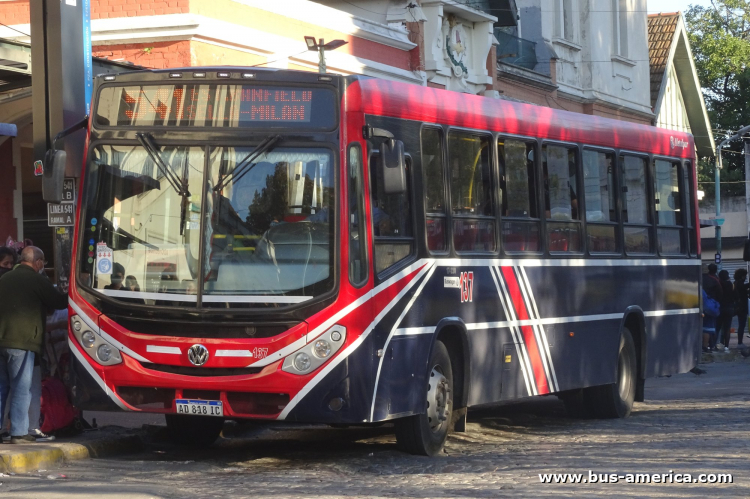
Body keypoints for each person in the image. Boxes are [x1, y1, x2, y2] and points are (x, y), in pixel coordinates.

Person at [0, 246, 68, 444]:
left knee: (2, 387)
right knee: (22, 387)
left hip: (1, 340)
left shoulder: (4, 279)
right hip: (23, 341)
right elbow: (59, 302)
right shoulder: (37, 280)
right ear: (38, 262)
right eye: (42, 264)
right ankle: (20, 433)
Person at [702, 264, 722, 350]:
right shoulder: (714, 280)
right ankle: (708, 345)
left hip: (697, 304)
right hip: (710, 306)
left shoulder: (698, 279)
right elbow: (720, 293)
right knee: (709, 327)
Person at [717, 270, 734, 352]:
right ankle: (726, 347)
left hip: (720, 307)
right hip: (729, 308)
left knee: (717, 327)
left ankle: (714, 344)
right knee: (727, 328)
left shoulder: (719, 284)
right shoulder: (730, 284)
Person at [734, 268, 748, 347]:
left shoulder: (735, 283)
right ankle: (740, 342)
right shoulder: (740, 284)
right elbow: (743, 291)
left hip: (738, 306)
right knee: (742, 325)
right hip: (742, 307)